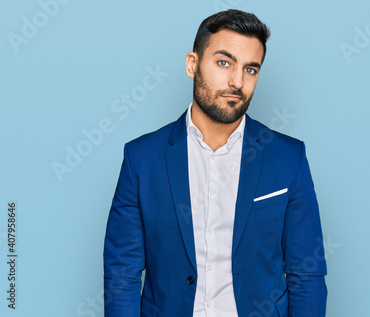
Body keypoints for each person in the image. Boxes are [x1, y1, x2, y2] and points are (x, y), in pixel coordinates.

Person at [104, 9, 327, 317]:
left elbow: (307, 275)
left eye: (251, 69)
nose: (237, 82)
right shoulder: (142, 159)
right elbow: (122, 272)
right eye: (224, 63)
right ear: (192, 65)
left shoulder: (289, 158)